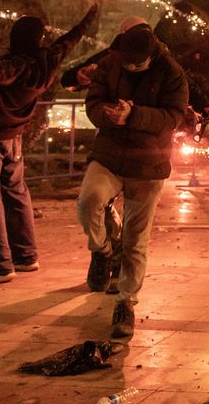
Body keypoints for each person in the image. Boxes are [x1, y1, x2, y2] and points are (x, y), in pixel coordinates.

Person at [0, 4, 99, 284]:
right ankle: (25, 256)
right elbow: (68, 41)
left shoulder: (18, 65)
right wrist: (87, 20)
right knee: (15, 193)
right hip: (13, 136)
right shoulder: (47, 60)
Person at [76, 23, 188, 341]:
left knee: (136, 240)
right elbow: (93, 100)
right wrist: (106, 113)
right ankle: (101, 250)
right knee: (89, 203)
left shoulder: (171, 71)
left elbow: (174, 115)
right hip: (109, 155)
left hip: (149, 164)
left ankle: (125, 303)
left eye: (136, 63)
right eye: (126, 61)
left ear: (151, 56)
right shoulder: (112, 62)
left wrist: (134, 116)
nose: (130, 67)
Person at [60, 15, 148, 294]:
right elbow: (70, 79)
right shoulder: (111, 57)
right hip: (110, 143)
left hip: (146, 150)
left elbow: (180, 94)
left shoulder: (161, 62)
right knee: (96, 202)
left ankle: (122, 274)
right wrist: (80, 76)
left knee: (136, 222)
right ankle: (103, 252)